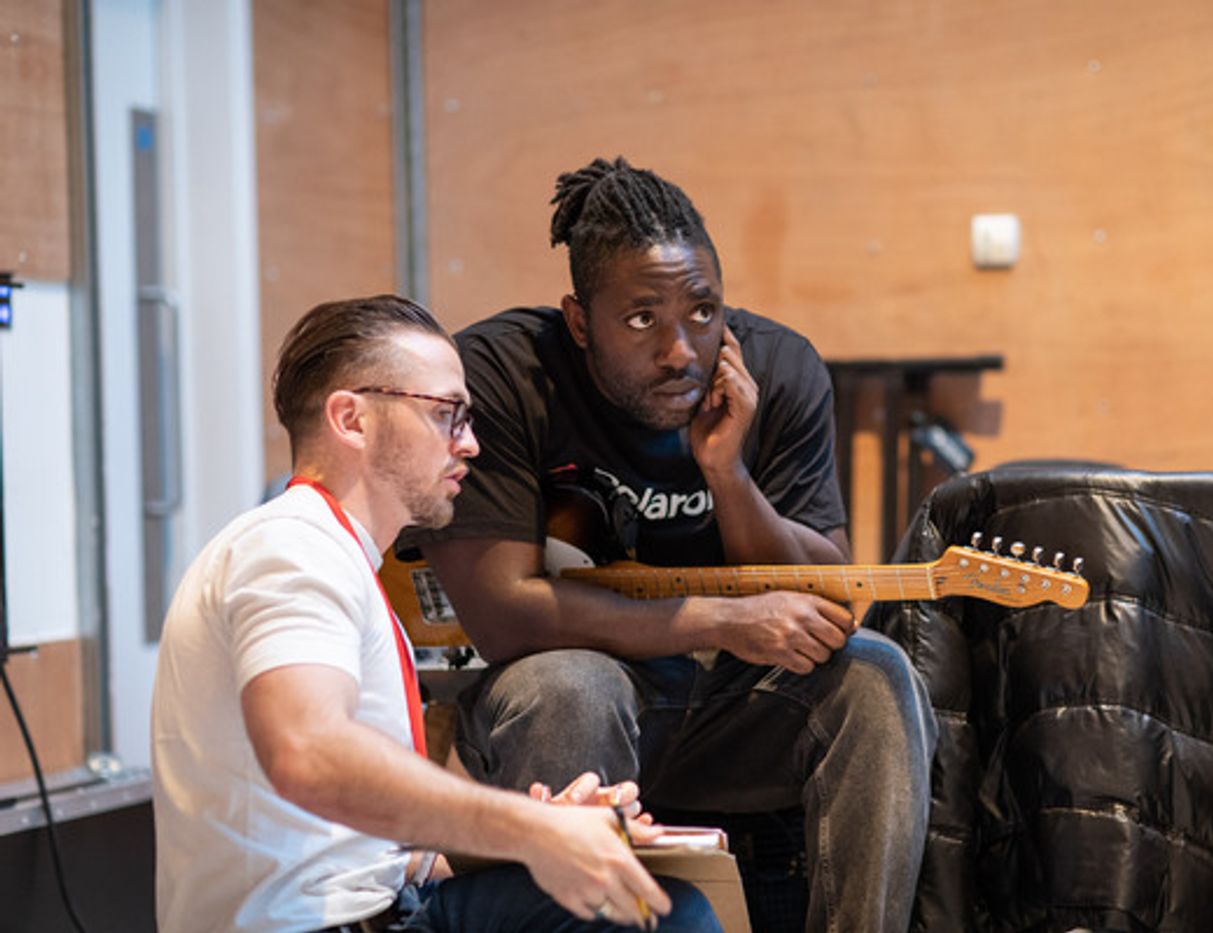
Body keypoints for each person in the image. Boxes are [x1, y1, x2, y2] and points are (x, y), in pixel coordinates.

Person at [409, 158, 936, 932]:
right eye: (641, 319)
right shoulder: (502, 374)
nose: (681, 349)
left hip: (731, 703)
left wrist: (728, 475)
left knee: (875, 675)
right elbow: (505, 615)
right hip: (571, 698)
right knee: (569, 685)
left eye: (702, 311)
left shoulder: (778, 368)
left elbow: (827, 594)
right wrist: (721, 619)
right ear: (580, 321)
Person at [150, 294, 721, 933]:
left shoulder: (331, 554)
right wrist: (531, 829)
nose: (470, 444)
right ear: (352, 419)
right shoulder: (290, 548)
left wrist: (552, 826)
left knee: (646, 906)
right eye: (447, 414)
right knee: (665, 919)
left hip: (380, 908)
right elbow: (306, 751)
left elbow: (381, 860)